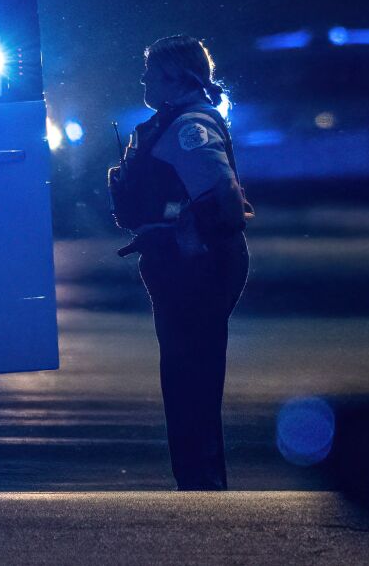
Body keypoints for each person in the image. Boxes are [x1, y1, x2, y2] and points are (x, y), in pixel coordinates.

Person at [109, 35, 252, 490]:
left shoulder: (191, 128)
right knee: (183, 374)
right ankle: (195, 484)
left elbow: (226, 200)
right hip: (179, 265)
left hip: (197, 266)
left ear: (176, 77)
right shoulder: (165, 124)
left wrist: (184, 232)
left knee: (193, 377)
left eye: (152, 70)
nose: (144, 78)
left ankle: (203, 488)